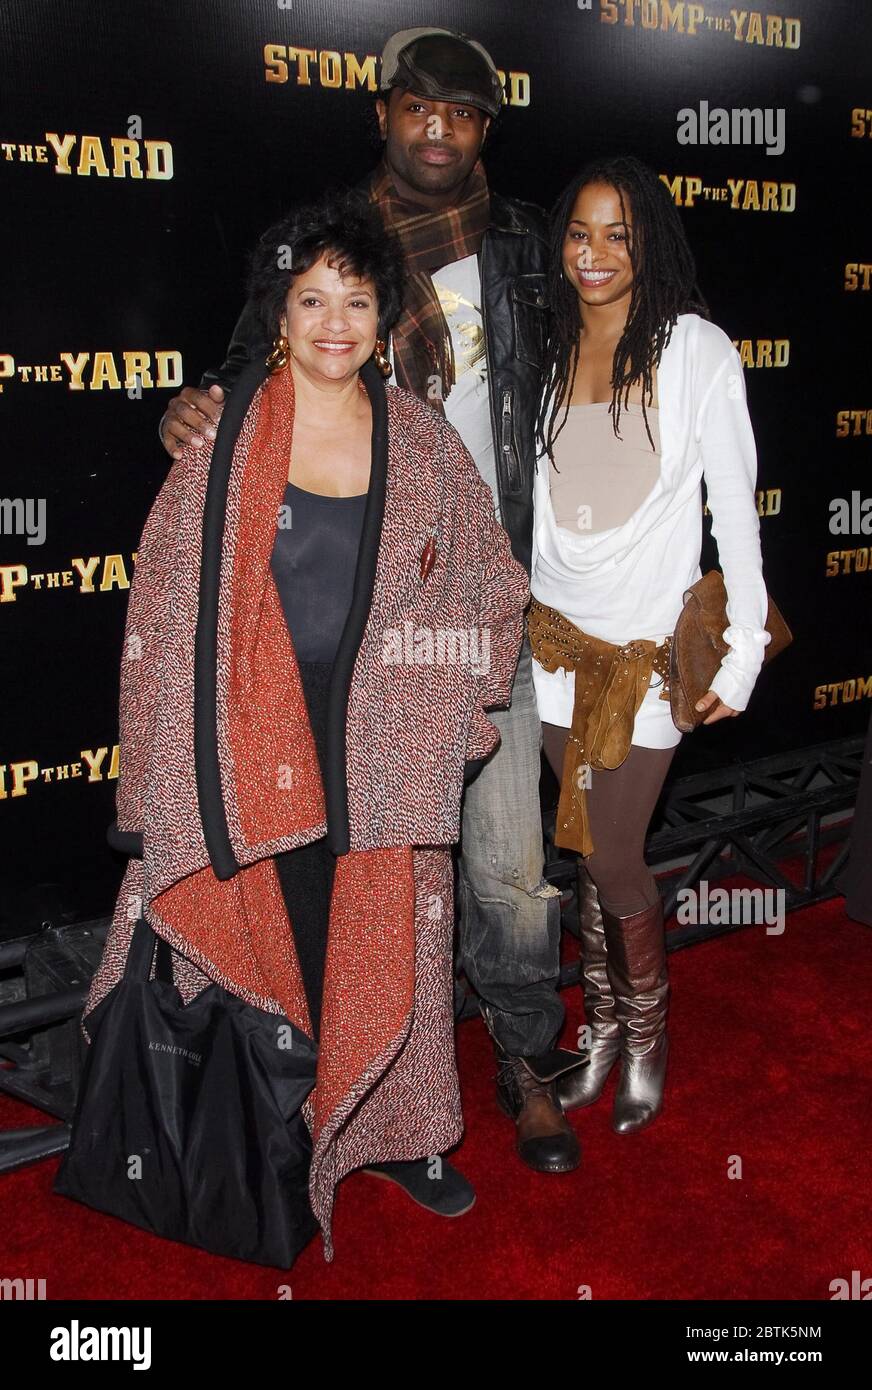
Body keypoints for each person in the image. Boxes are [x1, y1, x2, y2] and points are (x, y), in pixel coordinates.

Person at [156, 27, 587, 1177]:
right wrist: (197, 403)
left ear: (485, 127)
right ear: (383, 115)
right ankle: (360, 1078)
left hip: (490, 598)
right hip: (354, 622)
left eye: (462, 111)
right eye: (417, 106)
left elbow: (601, 370)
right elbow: (251, 363)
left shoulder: (528, 245)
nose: (437, 126)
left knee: (504, 863)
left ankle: (525, 1058)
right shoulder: (329, 241)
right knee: (370, 866)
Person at [82, 191, 529, 1261]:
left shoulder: (421, 441)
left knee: (389, 953)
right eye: (310, 298)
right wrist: (148, 787)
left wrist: (442, 712)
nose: (335, 321)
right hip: (249, 758)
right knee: (275, 947)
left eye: (358, 300)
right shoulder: (223, 436)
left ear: (385, 319)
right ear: (276, 314)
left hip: (382, 759)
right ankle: (267, 1124)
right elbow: (158, 611)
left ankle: (398, 1135)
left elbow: (493, 586)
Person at [530, 156, 770, 1133]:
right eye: (579, 233)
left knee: (616, 857)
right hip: (551, 651)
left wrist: (743, 647)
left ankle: (642, 1038)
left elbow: (735, 513)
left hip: (640, 660)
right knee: (589, 858)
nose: (593, 254)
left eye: (617, 234)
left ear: (649, 244)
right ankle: (596, 1036)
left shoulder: (694, 350)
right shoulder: (545, 349)